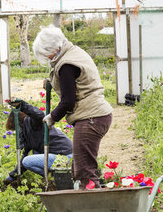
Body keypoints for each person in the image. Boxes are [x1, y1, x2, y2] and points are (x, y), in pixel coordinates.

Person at [33, 25, 113, 188]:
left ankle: (93, 207)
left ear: (52, 48)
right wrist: (53, 80)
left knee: (85, 172)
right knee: (80, 167)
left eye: (46, 54)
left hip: (91, 118)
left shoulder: (66, 64)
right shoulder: (73, 52)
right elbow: (74, 82)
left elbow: (68, 101)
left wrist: (52, 117)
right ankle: (87, 204)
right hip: (96, 115)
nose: (47, 58)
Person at [4, 99, 73, 184]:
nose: (17, 131)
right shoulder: (27, 135)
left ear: (19, 123)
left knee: (27, 161)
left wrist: (22, 105)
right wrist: (12, 175)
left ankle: (55, 178)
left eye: (16, 128)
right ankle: (55, 177)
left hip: (67, 156)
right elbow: (25, 154)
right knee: (34, 154)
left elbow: (39, 115)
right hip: (59, 156)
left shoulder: (33, 123)